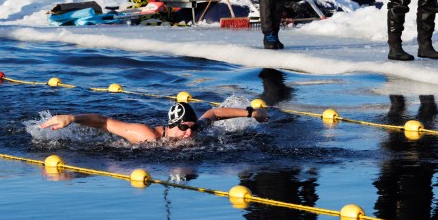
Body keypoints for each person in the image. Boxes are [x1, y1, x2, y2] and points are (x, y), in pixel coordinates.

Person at [40, 100, 268, 145]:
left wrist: (251, 113)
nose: (189, 134)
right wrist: (72, 118)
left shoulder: (195, 128)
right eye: (183, 128)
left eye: (191, 128)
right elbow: (105, 123)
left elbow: (214, 113)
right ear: (170, 125)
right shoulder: (147, 135)